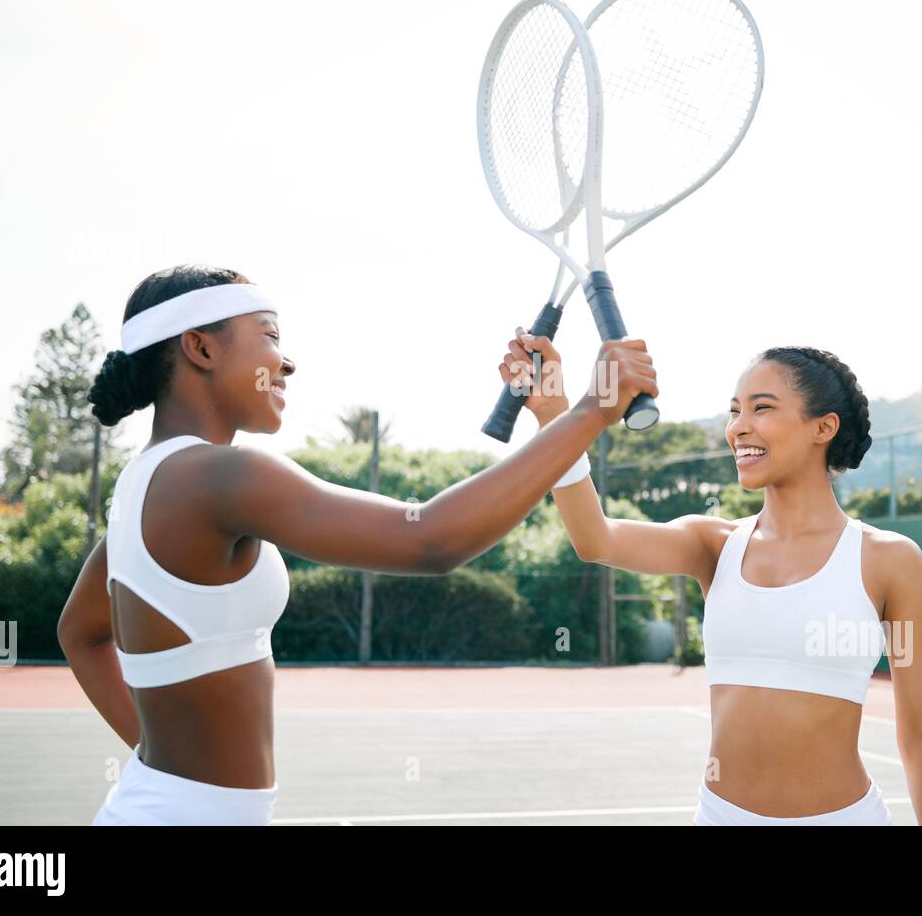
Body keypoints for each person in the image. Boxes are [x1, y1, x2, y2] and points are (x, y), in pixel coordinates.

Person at [57, 264, 658, 824]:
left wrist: (168, 763)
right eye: (269, 335)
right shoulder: (220, 476)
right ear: (201, 347)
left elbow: (78, 633)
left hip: (158, 805)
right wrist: (590, 411)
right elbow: (430, 540)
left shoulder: (143, 482)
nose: (286, 363)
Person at [506, 331, 922, 825]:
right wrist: (556, 418)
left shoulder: (890, 560)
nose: (739, 427)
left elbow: (918, 735)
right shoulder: (713, 545)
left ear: (823, 427)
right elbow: (596, 540)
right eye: (734, 410)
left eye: (762, 408)